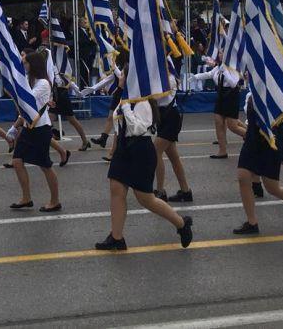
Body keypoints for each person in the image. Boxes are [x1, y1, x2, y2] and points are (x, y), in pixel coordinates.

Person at [95, 65, 193, 251]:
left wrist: (125, 107)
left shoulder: (145, 103)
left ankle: (181, 223)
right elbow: (117, 121)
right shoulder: (124, 96)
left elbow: (139, 129)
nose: (121, 76)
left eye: (123, 74)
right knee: (116, 189)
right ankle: (117, 237)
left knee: (145, 198)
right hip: (124, 148)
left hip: (140, 150)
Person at [233, 93, 283, 235]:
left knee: (273, 188)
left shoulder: (276, 91)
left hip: (270, 140)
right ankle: (252, 223)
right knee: (243, 177)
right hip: (252, 138)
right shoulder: (253, 90)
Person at [6, 51, 61, 212]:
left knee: (45, 165)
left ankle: (55, 200)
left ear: (34, 64)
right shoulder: (33, 81)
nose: (24, 66)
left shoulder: (43, 83)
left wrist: (14, 87)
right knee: (17, 161)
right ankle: (26, 198)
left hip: (41, 128)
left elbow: (27, 102)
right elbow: (24, 110)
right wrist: (14, 127)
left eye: (26, 63)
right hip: (29, 128)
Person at [190, 61, 246, 159]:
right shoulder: (219, 67)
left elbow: (233, 84)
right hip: (221, 96)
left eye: (221, 52)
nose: (219, 54)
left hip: (231, 96)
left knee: (232, 126)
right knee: (219, 121)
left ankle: (254, 138)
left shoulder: (233, 67)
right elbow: (209, 74)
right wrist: (196, 76)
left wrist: (225, 71)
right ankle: (222, 151)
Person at [153, 70, 193, 203]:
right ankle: (186, 191)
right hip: (163, 117)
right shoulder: (158, 77)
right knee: (173, 157)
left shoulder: (168, 78)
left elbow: (156, 96)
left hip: (171, 117)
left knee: (155, 152)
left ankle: (160, 191)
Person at [77, 18, 96, 88]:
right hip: (83, 55)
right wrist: (90, 41)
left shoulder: (88, 31)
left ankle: (88, 86)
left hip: (89, 55)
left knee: (89, 72)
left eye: (86, 22)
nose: (86, 24)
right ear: (80, 23)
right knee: (83, 72)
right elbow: (81, 41)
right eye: (84, 22)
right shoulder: (78, 31)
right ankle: (83, 88)